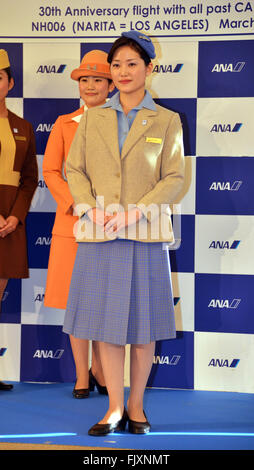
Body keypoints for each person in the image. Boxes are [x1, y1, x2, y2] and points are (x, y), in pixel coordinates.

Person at [64, 31, 185, 434]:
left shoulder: (167, 121)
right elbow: (73, 170)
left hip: (144, 234)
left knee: (144, 327)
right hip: (98, 234)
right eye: (116, 65)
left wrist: (135, 212)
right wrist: (88, 207)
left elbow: (174, 178)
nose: (123, 72)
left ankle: (136, 405)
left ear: (149, 69)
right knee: (105, 326)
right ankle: (113, 407)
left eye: (132, 64)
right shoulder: (92, 115)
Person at [43, 50, 115, 398]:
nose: (90, 86)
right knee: (76, 302)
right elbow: (50, 172)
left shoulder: (125, 122)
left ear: (110, 85)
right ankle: (81, 375)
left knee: (101, 301)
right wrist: (75, 202)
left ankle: (101, 370)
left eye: (97, 79)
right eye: (84, 80)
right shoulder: (63, 123)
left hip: (110, 225)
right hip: (71, 224)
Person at [0, 49, 38, 391]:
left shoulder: (22, 127)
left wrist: (15, 216)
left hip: (9, 220)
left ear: (10, 83)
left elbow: (29, 179)